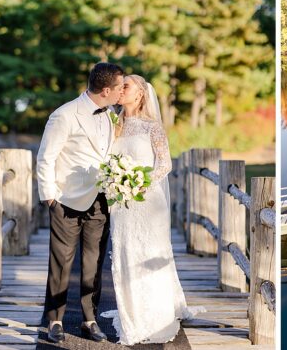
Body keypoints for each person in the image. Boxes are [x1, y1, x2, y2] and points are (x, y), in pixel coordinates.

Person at [100, 74, 202, 345]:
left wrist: (138, 183)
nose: (121, 90)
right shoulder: (112, 124)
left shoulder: (151, 127)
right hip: (121, 203)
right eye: (120, 86)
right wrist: (116, 181)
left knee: (149, 252)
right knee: (125, 254)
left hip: (146, 200)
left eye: (126, 86)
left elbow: (164, 165)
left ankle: (155, 316)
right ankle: (132, 315)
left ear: (140, 94)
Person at [36, 62, 125, 343]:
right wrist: (50, 198)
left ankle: (89, 319)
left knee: (94, 263)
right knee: (61, 263)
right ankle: (55, 321)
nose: (123, 91)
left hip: (100, 200)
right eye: (121, 86)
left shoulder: (111, 114)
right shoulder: (64, 115)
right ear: (107, 89)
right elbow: (46, 158)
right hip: (66, 201)